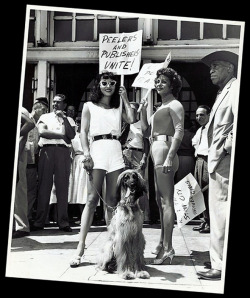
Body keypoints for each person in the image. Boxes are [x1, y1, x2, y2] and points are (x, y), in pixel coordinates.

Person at [70, 71, 135, 267]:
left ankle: (112, 249)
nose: (108, 86)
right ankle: (80, 248)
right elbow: (83, 132)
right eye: (105, 82)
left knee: (112, 202)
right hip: (97, 150)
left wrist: (125, 97)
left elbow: (131, 119)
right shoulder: (89, 106)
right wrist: (87, 154)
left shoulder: (118, 105)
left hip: (115, 151)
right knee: (91, 200)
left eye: (112, 83)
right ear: (98, 85)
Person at [197, 51, 239, 281]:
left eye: (216, 66)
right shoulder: (223, 92)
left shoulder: (235, 88)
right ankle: (217, 257)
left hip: (223, 160)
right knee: (217, 212)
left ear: (230, 68)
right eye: (211, 67)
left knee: (221, 212)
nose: (211, 70)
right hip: (216, 160)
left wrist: (225, 148)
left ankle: (219, 265)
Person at [140, 67, 184, 265]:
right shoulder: (160, 106)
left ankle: (168, 248)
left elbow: (179, 131)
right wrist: (142, 113)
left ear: (172, 84)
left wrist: (169, 157)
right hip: (157, 150)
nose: (159, 84)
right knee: (159, 201)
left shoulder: (175, 104)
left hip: (165, 151)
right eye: (157, 81)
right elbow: (146, 131)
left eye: (163, 81)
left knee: (167, 201)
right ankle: (161, 243)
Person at [31, 94, 76, 232]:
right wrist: (62, 136)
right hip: (47, 151)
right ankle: (39, 222)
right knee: (44, 186)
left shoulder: (68, 119)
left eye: (59, 102)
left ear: (64, 105)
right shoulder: (45, 117)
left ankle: (63, 222)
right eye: (54, 102)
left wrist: (64, 120)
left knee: (63, 187)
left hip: (63, 152)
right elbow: (43, 132)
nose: (55, 105)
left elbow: (72, 135)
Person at [122, 101, 150, 223]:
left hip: (138, 154)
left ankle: (143, 215)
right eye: (129, 109)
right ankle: (127, 213)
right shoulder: (123, 124)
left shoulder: (141, 124)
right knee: (125, 185)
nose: (131, 111)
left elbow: (146, 142)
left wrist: (144, 157)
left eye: (133, 109)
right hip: (125, 153)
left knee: (139, 184)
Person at [12, 107, 35, 238]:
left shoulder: (21, 110)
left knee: (19, 190)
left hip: (19, 153)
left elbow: (30, 125)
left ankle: (22, 226)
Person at [26, 98, 48, 224]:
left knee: (31, 191)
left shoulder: (40, 123)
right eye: (43, 110)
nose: (45, 112)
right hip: (24, 160)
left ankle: (27, 217)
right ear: (36, 108)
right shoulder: (25, 119)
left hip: (33, 162)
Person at [192, 105, 211, 234]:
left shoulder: (212, 129)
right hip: (198, 160)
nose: (199, 117)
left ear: (209, 115)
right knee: (199, 191)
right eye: (197, 115)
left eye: (202, 115)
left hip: (207, 160)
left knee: (207, 191)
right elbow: (194, 142)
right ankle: (204, 221)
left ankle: (210, 223)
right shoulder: (200, 130)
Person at [174, 114, 195, 183]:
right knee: (188, 180)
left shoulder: (176, 135)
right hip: (189, 159)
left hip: (177, 158)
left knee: (178, 179)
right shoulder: (192, 135)